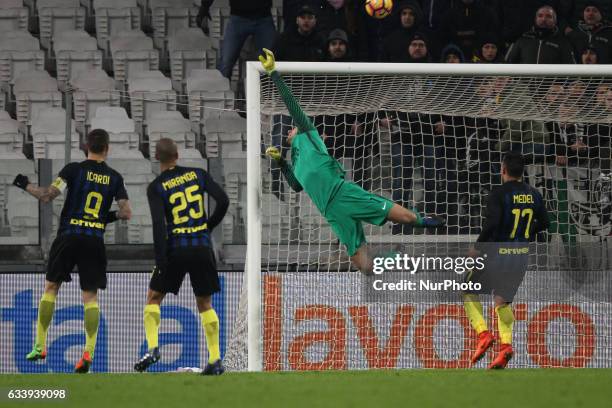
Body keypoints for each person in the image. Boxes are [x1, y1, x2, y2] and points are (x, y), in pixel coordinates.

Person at [259, 48, 445, 274]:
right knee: (365, 267)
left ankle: (422, 221)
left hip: (344, 194)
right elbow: (296, 186)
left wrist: (274, 74)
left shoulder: (310, 136)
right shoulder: (296, 162)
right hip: (332, 212)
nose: (289, 128)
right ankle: (395, 255)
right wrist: (281, 162)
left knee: (407, 218)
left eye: (292, 126)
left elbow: (293, 107)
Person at [14, 129, 132, 373]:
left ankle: (39, 346)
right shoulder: (115, 178)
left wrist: (24, 184)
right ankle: (88, 353)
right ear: (107, 148)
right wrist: (101, 219)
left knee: (51, 288)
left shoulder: (73, 170)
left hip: (68, 236)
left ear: (85, 146)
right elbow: (125, 213)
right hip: (93, 240)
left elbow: (47, 196)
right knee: (90, 297)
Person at [134, 139, 229, 375]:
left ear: (157, 158)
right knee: (205, 303)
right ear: (177, 154)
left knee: (153, 298)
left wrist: (160, 259)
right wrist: (207, 227)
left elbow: (158, 224)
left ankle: (153, 348)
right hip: (201, 247)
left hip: (176, 247)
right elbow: (224, 200)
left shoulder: (156, 186)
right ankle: (215, 358)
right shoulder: (198, 174)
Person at [463, 152, 549, 369]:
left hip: (497, 254)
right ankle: (506, 347)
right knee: (502, 302)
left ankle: (483, 334)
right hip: (520, 258)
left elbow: (491, 224)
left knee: (466, 288)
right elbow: (546, 222)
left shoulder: (498, 193)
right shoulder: (534, 194)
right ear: (522, 172)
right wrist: (526, 232)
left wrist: (477, 248)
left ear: (503, 170)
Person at [197, 0, 276, 79]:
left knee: (269, 62)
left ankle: (264, 90)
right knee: (225, 63)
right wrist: (204, 9)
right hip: (238, 19)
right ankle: (223, 89)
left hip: (264, 19)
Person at [505, 6, 575, 64]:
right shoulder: (523, 39)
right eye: (540, 16)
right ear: (535, 19)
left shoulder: (562, 42)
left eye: (548, 16)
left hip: (551, 81)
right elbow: (508, 64)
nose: (544, 19)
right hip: (524, 81)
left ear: (555, 21)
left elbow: (571, 68)